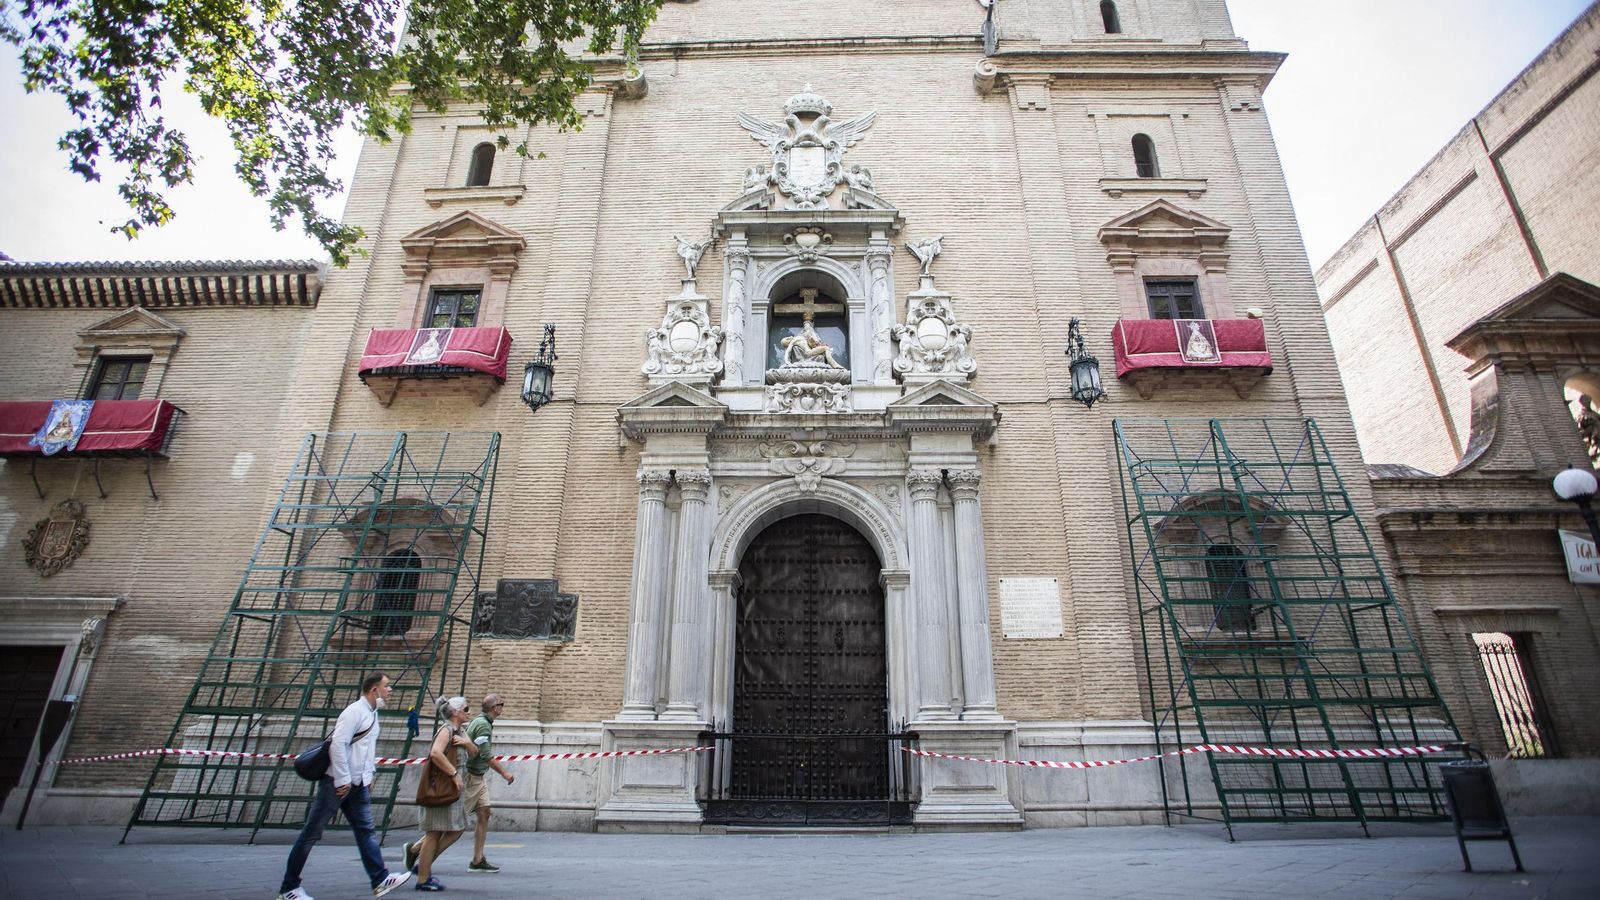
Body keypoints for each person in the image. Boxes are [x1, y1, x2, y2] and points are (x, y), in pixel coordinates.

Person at [277, 673, 411, 900]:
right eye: (387, 686)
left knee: (366, 831)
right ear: (374, 690)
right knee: (311, 833)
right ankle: (289, 888)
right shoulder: (354, 712)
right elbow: (337, 746)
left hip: (357, 785)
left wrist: (368, 777)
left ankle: (380, 879)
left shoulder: (372, 713)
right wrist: (343, 780)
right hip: (336, 784)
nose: (391, 690)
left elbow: (365, 750)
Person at [404, 696, 478, 892]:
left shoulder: (461, 731)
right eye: (466, 708)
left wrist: (465, 742)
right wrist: (454, 774)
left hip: (453, 788)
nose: (469, 712)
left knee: (456, 829)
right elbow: (436, 753)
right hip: (442, 787)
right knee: (434, 833)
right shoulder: (446, 730)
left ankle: (423, 867)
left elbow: (474, 752)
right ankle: (422, 878)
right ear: (455, 712)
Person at [463, 693, 516, 873]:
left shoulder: (483, 722)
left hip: (478, 776)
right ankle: (416, 849)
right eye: (501, 704)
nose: (503, 707)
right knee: (452, 822)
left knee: (484, 813)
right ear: (495, 708)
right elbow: (485, 755)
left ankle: (478, 860)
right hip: (471, 777)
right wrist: (505, 773)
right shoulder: (483, 725)